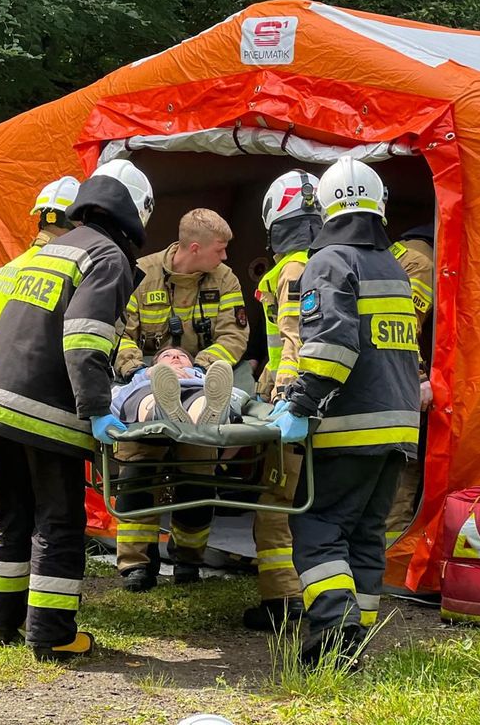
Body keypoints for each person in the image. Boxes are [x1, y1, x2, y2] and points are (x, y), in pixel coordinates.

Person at [0, 159, 153, 662]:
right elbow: (84, 336)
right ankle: (52, 635)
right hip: (46, 407)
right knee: (59, 521)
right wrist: (97, 408)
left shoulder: (55, 248)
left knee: (11, 514)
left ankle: (3, 620)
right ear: (135, 210)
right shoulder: (107, 256)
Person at [270, 156, 420, 669]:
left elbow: (332, 347)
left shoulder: (330, 262)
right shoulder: (395, 267)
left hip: (347, 427)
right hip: (397, 426)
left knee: (319, 530)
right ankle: (356, 640)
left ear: (328, 207)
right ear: (380, 204)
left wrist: (300, 404)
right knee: (365, 535)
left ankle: (332, 643)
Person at [113, 208, 249, 592]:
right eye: (220, 250)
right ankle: (136, 564)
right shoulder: (140, 274)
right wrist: (137, 367)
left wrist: (198, 367)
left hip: (200, 381)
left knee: (197, 476)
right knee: (138, 471)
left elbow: (234, 337)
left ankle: (189, 557)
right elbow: (118, 330)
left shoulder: (225, 280)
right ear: (194, 248)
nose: (225, 258)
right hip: (145, 376)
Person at [0, 176, 81, 579]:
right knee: (34, 499)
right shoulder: (60, 276)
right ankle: (22, 583)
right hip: (15, 411)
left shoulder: (4, 272)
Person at [243, 169, 322, 631]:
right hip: (327, 401)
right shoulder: (333, 258)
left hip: (298, 406)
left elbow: (295, 340)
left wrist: (286, 399)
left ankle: (282, 601)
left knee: (276, 501)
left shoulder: (294, 268)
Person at [385, 224, 436, 547]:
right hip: (406, 383)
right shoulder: (422, 264)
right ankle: (393, 551)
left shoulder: (395, 253)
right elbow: (405, 327)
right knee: (406, 466)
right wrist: (418, 377)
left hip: (380, 379)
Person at [111, 346, 241, 427]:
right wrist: (149, 373)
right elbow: (116, 398)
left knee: (201, 400)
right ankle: (158, 412)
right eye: (166, 355)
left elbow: (235, 395)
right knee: (147, 398)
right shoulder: (143, 377)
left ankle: (207, 417)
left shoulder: (204, 377)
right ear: (154, 363)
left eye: (182, 356)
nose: (175, 356)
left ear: (192, 364)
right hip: (151, 390)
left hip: (196, 390)